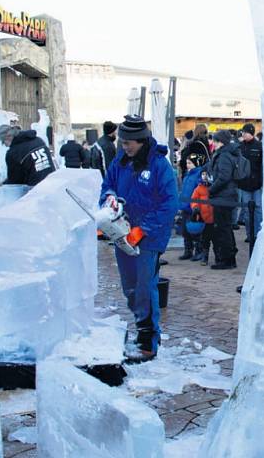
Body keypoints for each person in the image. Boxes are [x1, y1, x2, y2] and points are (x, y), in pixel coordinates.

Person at [99, 115, 178, 362]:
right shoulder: (119, 162)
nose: (126, 147)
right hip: (122, 232)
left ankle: (148, 340)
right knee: (130, 287)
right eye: (123, 142)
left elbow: (170, 203)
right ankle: (141, 327)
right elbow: (107, 186)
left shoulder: (159, 165)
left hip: (148, 237)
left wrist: (143, 229)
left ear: (142, 141)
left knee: (145, 287)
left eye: (131, 143)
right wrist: (109, 199)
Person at [207, 129, 240, 270]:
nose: (213, 143)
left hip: (223, 196)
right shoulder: (227, 153)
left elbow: (224, 177)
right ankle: (228, 256)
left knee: (223, 228)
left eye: (215, 140)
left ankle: (227, 259)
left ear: (220, 142)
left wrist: (211, 189)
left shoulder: (224, 155)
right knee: (225, 227)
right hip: (226, 195)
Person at [178, 153, 208, 262]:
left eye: (190, 163)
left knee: (195, 230)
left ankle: (199, 251)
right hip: (186, 205)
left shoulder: (199, 175)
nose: (187, 165)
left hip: (194, 207)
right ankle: (188, 251)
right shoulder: (187, 175)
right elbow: (184, 190)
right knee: (185, 230)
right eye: (187, 163)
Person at [237, 123, 263, 242]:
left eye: (245, 132)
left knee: (257, 210)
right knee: (247, 211)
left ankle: (257, 233)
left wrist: (262, 181)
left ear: (250, 133)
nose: (243, 134)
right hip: (244, 184)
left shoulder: (259, 146)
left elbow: (262, 165)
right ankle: (249, 234)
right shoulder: (240, 146)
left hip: (256, 184)